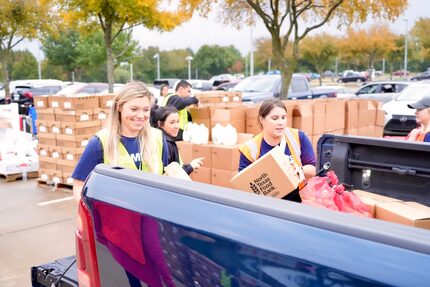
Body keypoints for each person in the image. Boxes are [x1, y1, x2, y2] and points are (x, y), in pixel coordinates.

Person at [72, 81, 165, 202]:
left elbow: (165, 179)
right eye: (134, 109)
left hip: (152, 217)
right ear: (119, 107)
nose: (141, 115)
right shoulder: (99, 143)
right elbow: (79, 185)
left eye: (146, 109)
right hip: (115, 218)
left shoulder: (157, 137)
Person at [238, 99, 316, 201]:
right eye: (275, 118)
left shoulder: (298, 137)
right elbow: (243, 184)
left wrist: (295, 170)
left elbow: (312, 170)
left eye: (283, 118)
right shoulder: (250, 148)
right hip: (267, 204)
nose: (281, 123)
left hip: (299, 200)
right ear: (262, 120)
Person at [153, 105, 203, 174]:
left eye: (178, 121)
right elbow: (171, 176)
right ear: (160, 124)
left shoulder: (162, 140)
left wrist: (190, 166)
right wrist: (190, 167)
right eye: (172, 122)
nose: (176, 126)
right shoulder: (166, 144)